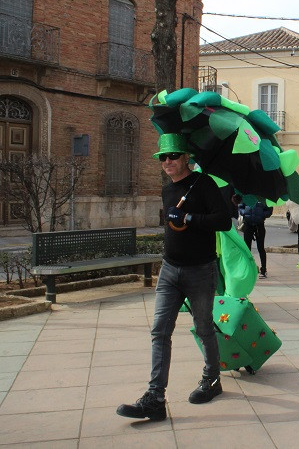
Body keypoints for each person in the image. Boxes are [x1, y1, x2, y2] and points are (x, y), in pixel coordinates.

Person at [117, 134, 232, 421]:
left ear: (185, 158)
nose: (167, 161)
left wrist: (191, 218)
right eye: (163, 157)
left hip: (200, 271)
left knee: (204, 326)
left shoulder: (203, 184)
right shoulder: (169, 190)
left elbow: (223, 220)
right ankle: (155, 398)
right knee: (159, 331)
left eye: (172, 156)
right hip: (169, 270)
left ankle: (212, 379)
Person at [238, 200, 273, 278]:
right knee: (247, 248)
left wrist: (262, 215)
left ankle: (263, 269)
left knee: (260, 248)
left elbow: (270, 210)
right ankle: (247, 268)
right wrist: (245, 213)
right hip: (248, 224)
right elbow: (240, 207)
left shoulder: (263, 198)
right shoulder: (246, 196)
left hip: (259, 225)